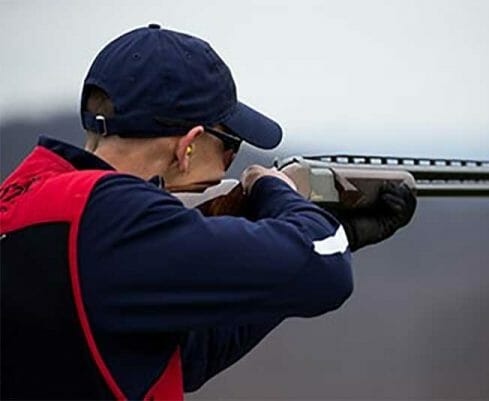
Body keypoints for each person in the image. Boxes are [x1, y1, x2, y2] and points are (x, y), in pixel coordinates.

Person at [0, 24, 416, 400]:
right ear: (189, 146)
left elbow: (180, 357)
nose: (230, 162)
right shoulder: (114, 217)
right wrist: (275, 189)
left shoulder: (28, 200)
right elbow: (324, 271)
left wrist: (341, 234)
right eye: (230, 145)